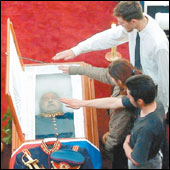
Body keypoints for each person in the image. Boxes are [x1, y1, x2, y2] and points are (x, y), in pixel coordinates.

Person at [52, 1, 169, 116]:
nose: (120, 26)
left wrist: (162, 109)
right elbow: (109, 36)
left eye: (122, 24)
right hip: (135, 80)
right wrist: (76, 50)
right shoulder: (138, 22)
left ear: (133, 21)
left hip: (150, 91)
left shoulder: (159, 45)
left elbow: (165, 79)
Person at [60, 74, 167, 169]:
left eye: (129, 96)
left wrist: (126, 144)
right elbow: (114, 102)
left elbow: (136, 161)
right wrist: (82, 103)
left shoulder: (147, 129)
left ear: (140, 101)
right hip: (144, 147)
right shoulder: (153, 102)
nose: (127, 97)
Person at [59, 58, 142, 168]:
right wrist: (75, 70)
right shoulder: (130, 78)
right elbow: (103, 74)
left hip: (123, 144)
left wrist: (106, 150)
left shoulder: (124, 109)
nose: (108, 77)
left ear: (119, 81)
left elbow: (116, 136)